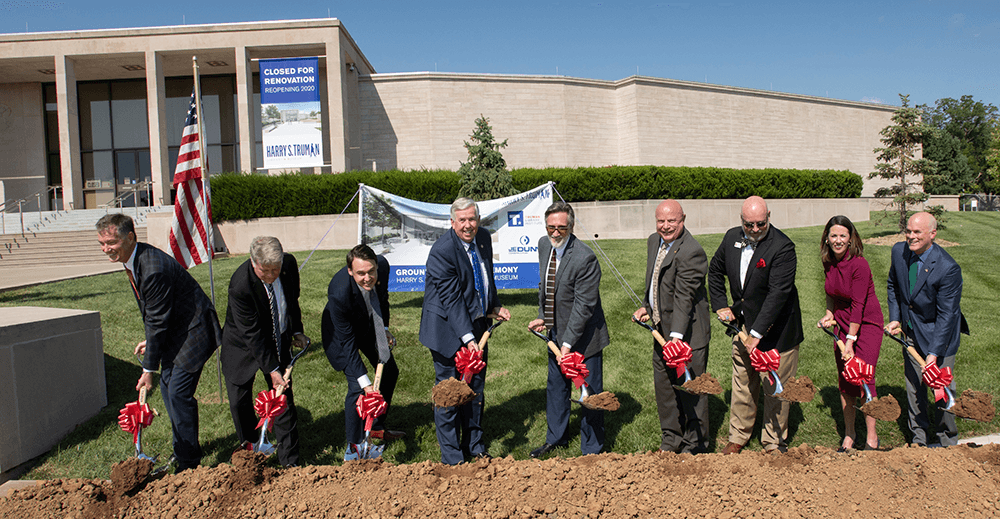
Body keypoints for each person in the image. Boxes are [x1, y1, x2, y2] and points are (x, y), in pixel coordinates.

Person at [96, 213, 221, 472]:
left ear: (130, 237)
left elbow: (156, 319)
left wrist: (148, 369)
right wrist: (151, 343)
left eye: (111, 242)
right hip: (176, 329)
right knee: (168, 390)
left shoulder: (152, 268)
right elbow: (157, 314)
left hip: (195, 331)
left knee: (177, 392)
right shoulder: (133, 258)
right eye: (102, 243)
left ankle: (189, 464)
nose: (106, 249)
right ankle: (183, 450)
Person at [707, 196, 803, 455]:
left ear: (769, 216)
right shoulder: (731, 238)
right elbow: (715, 271)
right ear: (742, 221)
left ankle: (773, 440)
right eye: (749, 225)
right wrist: (720, 305)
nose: (755, 229)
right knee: (742, 382)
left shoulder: (783, 247)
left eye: (761, 223)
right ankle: (738, 435)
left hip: (777, 330)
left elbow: (777, 295)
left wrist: (757, 335)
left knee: (776, 386)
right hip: (743, 325)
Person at [419, 197, 511, 465]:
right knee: (449, 391)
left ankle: (474, 445)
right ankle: (451, 456)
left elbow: (483, 277)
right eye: (462, 220)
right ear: (452, 222)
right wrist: (468, 338)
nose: (468, 225)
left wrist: (492, 306)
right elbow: (452, 299)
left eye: (472, 219)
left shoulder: (482, 237)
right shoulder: (442, 251)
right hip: (446, 329)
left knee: (475, 390)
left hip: (476, 324)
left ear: (478, 220)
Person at [528, 202, 609, 458]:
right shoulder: (544, 245)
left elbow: (584, 306)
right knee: (556, 389)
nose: (555, 233)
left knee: (589, 393)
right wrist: (544, 318)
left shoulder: (585, 258)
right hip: (556, 334)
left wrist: (567, 344)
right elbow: (547, 287)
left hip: (585, 338)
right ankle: (556, 439)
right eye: (551, 227)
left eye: (561, 228)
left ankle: (592, 448)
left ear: (571, 227)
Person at [221, 236, 308, 467]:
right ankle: (251, 451)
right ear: (253, 262)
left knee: (283, 399)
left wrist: (296, 329)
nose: (271, 276)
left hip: (277, 339)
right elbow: (252, 334)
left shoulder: (288, 265)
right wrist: (272, 369)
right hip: (242, 345)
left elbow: (291, 300)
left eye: (275, 270)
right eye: (265, 271)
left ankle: (290, 462)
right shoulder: (240, 285)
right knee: (238, 402)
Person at [632, 200, 711, 454]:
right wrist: (647, 306)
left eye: (671, 221)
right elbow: (655, 281)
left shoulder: (692, 252)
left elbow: (683, 297)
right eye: (660, 221)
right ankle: (670, 440)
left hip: (687, 335)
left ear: (683, 219)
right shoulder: (654, 241)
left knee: (690, 391)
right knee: (665, 389)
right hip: (660, 331)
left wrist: (676, 337)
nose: (665, 226)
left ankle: (695, 444)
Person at [886, 211, 968, 447]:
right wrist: (896, 318)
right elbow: (893, 285)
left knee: (940, 387)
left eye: (917, 232)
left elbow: (947, 315)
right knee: (914, 389)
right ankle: (918, 440)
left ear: (932, 234)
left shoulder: (947, 268)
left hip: (939, 335)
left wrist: (933, 354)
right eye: (908, 231)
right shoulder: (898, 252)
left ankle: (947, 440)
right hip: (911, 331)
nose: (911, 237)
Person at [321, 244, 404, 457]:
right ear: (350, 271)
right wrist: (366, 384)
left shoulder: (383, 267)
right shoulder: (338, 293)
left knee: (390, 371)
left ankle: (375, 425)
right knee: (357, 388)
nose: (367, 278)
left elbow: (382, 298)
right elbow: (348, 345)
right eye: (360, 274)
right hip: (340, 334)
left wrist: (383, 328)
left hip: (368, 323)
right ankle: (355, 445)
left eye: (371, 271)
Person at [816, 216, 883, 451]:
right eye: (833, 235)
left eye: (843, 235)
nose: (838, 240)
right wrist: (828, 314)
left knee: (863, 376)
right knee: (846, 380)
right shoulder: (828, 261)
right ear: (827, 237)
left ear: (851, 238)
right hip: (843, 323)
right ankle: (850, 434)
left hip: (866, 325)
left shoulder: (859, 264)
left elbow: (858, 305)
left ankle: (872, 438)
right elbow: (831, 292)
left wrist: (851, 341)